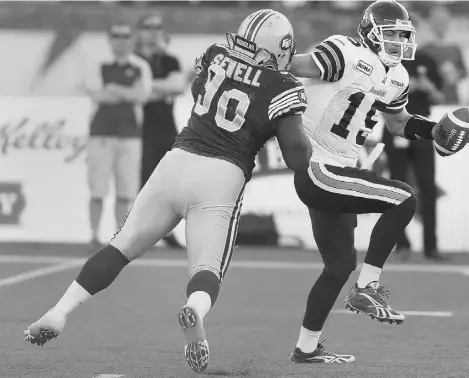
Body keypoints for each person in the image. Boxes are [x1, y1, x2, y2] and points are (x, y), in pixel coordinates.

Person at [24, 9, 312, 374]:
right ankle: (195, 307)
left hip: (175, 161)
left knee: (120, 245)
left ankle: (59, 311)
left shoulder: (214, 56)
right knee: (208, 268)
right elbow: (297, 157)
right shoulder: (283, 87)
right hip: (221, 174)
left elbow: (199, 94)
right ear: (280, 48)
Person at [288, 0, 469, 363]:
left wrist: (433, 130)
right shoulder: (346, 51)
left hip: (336, 169)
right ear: (371, 32)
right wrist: (255, 57)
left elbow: (399, 123)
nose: (401, 41)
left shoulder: (398, 75)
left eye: (405, 35)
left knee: (339, 266)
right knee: (404, 198)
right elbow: (296, 64)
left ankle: (306, 348)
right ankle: (367, 286)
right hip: (319, 167)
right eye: (393, 34)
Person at [83, 21, 152, 251]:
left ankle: (119, 235)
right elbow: (99, 95)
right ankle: (94, 234)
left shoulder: (140, 66)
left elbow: (142, 96)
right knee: (98, 188)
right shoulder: (98, 64)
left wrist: (115, 88)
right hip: (101, 132)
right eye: (116, 35)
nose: (121, 40)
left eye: (125, 36)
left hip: (130, 133)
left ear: (132, 39)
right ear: (110, 38)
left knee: (126, 189)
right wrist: (125, 92)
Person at [382, 42, 448, 261]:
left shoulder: (427, 61)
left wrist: (428, 87)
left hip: (422, 129)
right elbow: (379, 95)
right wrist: (410, 88)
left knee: (428, 186)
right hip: (395, 128)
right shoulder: (388, 61)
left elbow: (440, 97)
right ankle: (401, 244)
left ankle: (431, 246)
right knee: (397, 189)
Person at [135, 13, 185, 248]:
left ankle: (165, 230)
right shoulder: (133, 60)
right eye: (148, 27)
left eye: (157, 27)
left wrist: (145, 86)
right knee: (142, 180)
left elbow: (176, 85)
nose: (153, 31)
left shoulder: (169, 60)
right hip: (141, 126)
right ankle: (140, 231)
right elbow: (135, 94)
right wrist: (156, 90)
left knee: (169, 181)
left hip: (165, 124)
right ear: (140, 31)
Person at [421, 5, 467, 104]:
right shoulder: (423, 50)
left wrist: (455, 74)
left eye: (443, 21)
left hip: (452, 99)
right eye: (437, 22)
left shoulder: (455, 49)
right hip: (430, 102)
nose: (440, 25)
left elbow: (464, 72)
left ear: (448, 23)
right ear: (431, 24)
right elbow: (419, 76)